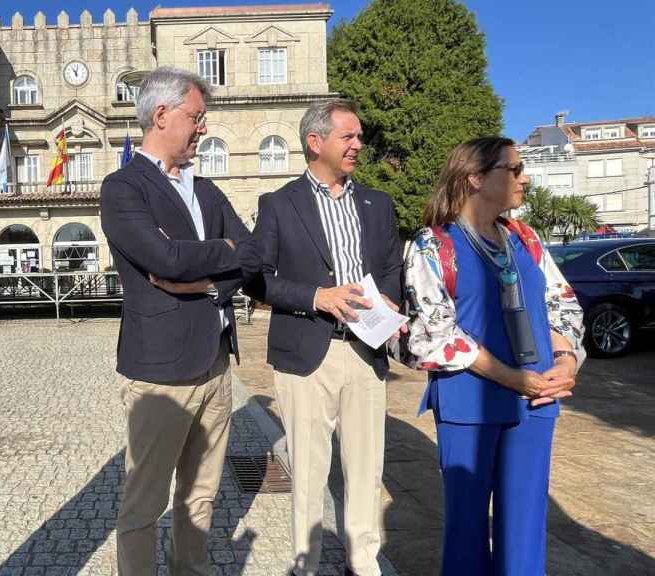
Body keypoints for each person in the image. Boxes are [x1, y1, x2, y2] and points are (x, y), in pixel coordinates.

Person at [100, 66, 259, 575]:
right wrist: (222, 253)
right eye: (196, 117)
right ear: (162, 115)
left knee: (201, 497)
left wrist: (210, 280)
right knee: (144, 506)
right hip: (160, 374)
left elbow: (251, 256)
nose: (203, 127)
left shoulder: (207, 191)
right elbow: (164, 260)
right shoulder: (123, 187)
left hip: (215, 367)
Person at [404, 136, 585, 575]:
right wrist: (511, 377)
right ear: (476, 179)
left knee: (525, 526)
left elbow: (563, 303)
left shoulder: (527, 239)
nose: (525, 178)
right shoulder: (432, 246)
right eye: (514, 170)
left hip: (537, 401)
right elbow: (433, 334)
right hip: (470, 404)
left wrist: (565, 361)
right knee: (466, 530)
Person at [249, 98, 402, 576]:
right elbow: (257, 278)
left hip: (366, 350)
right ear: (316, 142)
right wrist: (317, 296)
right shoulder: (279, 204)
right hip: (306, 352)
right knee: (310, 472)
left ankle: (364, 560)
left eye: (359, 136)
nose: (359, 144)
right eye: (348, 136)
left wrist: (393, 300)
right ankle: (306, 563)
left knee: (366, 467)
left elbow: (393, 265)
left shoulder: (378, 203)